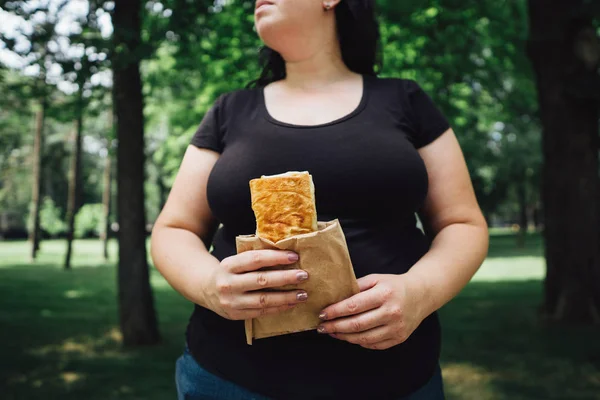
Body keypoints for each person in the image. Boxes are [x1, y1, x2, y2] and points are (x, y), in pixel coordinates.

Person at [150, 0, 489, 399]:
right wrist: (209, 284)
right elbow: (174, 229)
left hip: (392, 380)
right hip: (229, 379)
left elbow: (462, 224)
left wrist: (420, 292)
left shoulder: (405, 100)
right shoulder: (229, 111)